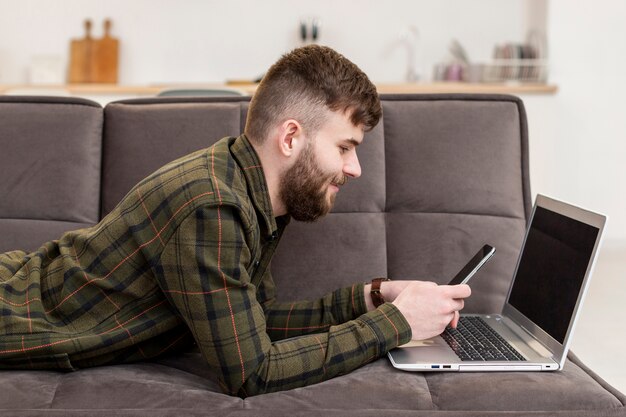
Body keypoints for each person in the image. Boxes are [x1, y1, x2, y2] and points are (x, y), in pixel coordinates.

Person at [0, 45, 470, 397]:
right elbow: (252, 370)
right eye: (345, 147)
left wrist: (372, 299)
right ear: (291, 137)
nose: (354, 169)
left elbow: (251, 323)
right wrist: (396, 323)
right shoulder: (213, 207)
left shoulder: (249, 188)